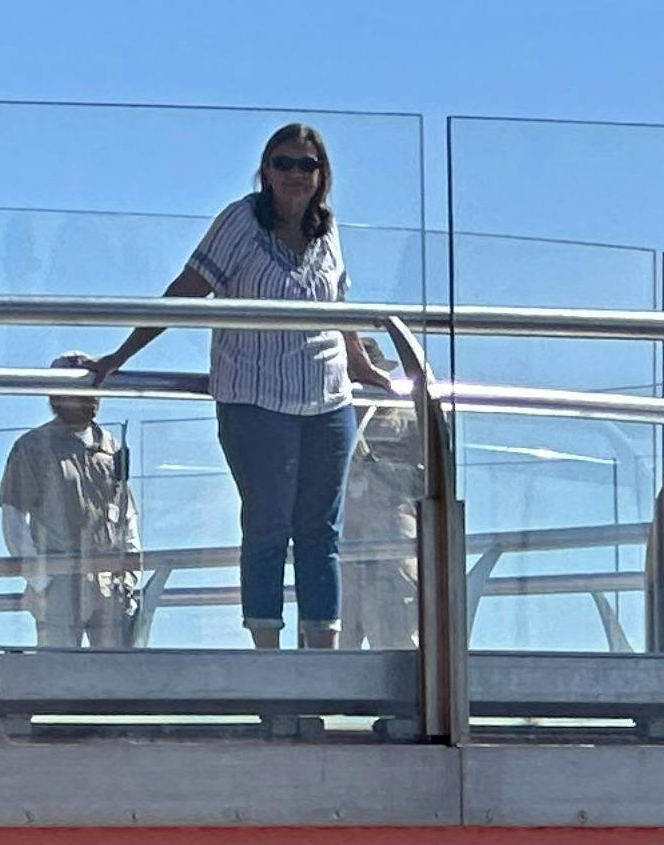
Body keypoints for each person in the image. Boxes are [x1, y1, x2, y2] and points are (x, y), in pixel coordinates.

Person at [70, 126, 401, 650]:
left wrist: (362, 367)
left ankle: (323, 663)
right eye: (284, 163)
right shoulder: (241, 222)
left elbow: (339, 308)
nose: (295, 174)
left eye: (307, 165)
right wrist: (120, 356)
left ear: (322, 175)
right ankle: (268, 661)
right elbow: (186, 290)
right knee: (268, 525)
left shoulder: (327, 228)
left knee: (321, 531)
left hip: (328, 399)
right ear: (265, 170)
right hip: (256, 399)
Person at [0, 386, 145, 648]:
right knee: (58, 669)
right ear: (57, 397)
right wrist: (41, 581)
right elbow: (13, 518)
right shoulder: (34, 446)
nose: (91, 398)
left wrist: (129, 577)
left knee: (116, 670)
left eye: (94, 390)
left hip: (108, 586)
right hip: (59, 583)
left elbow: (126, 515)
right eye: (80, 391)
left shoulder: (109, 447)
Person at [341, 386, 428, 651]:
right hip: (346, 538)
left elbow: (423, 474)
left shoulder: (408, 407)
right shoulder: (333, 407)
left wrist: (377, 463)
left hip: (393, 537)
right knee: (338, 645)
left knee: (396, 637)